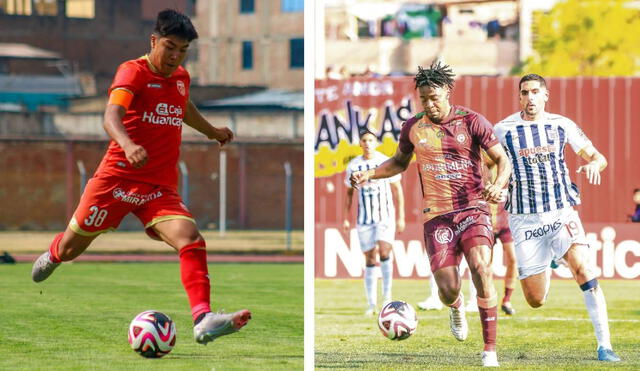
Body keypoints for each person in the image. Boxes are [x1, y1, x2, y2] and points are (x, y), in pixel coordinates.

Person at [31, 9, 251, 345]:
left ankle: (203, 318)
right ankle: (55, 253)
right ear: (153, 41)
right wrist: (128, 143)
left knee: (190, 238)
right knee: (73, 248)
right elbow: (110, 116)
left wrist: (212, 131)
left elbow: (183, 105)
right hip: (115, 181)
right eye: (169, 47)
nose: (175, 56)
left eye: (182, 51)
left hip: (158, 187)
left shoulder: (180, 77)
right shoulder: (131, 72)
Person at [350, 62, 511, 367]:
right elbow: (398, 162)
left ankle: (489, 349)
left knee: (481, 266)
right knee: (448, 290)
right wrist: (369, 173)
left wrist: (498, 185)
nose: (429, 104)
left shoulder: (472, 121)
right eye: (424, 99)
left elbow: (502, 160)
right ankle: (456, 306)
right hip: (436, 216)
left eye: (434, 97)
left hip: (473, 209)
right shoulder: (413, 127)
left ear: (447, 92)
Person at [493, 73, 620, 362]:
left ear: (545, 95)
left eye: (535, 92)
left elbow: (598, 157)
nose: (530, 98)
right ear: (519, 96)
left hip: (561, 212)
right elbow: (492, 164)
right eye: (524, 93)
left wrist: (595, 166)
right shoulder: (504, 130)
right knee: (535, 300)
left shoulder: (561, 125)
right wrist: (496, 187)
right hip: (524, 221)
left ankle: (605, 346)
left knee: (585, 271)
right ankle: (552, 258)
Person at [344, 129, 405, 316]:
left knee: (385, 251)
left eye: (371, 140)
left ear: (376, 142)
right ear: (360, 143)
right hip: (364, 219)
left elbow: (397, 190)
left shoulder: (384, 162)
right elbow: (349, 193)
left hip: (385, 216)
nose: (368, 143)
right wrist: (346, 218)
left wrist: (401, 216)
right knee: (370, 258)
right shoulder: (354, 166)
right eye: (365, 140)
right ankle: (371, 304)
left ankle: (387, 298)